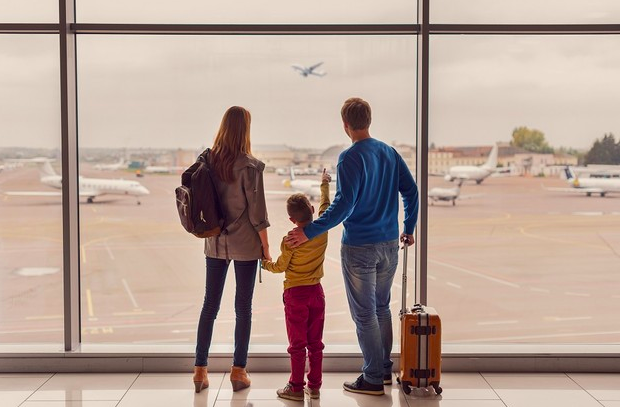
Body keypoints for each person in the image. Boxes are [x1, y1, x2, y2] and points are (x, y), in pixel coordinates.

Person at [286, 97, 419, 396]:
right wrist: (408, 227)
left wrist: (310, 231)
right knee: (381, 307)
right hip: (388, 245)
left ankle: (372, 378)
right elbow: (411, 191)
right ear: (369, 120)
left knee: (364, 315)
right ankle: (383, 369)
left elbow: (343, 206)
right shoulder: (390, 153)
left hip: (360, 246)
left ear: (345, 125)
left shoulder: (349, 158)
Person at [193, 106, 271, 393]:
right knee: (243, 308)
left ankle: (200, 370)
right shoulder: (251, 167)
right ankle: (238, 371)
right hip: (246, 244)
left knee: (209, 306)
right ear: (245, 129)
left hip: (214, 241)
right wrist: (265, 246)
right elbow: (257, 213)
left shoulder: (207, 161)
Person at [262, 169, 331, 401]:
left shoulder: (290, 240)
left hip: (295, 295)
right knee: (315, 344)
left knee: (297, 345)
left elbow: (280, 266)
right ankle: (315, 386)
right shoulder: (322, 229)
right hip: (316, 293)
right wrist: (324, 183)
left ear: (292, 219)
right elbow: (326, 205)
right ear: (311, 211)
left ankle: (295, 387)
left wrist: (266, 264)